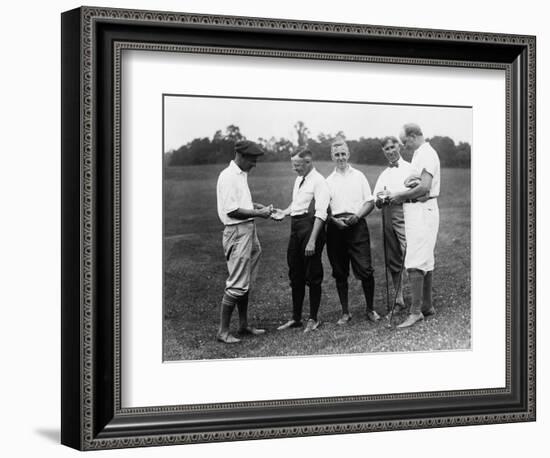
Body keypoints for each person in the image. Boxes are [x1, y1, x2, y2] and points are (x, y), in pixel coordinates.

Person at [215, 140, 273, 343]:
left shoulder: (241, 175)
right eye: (253, 159)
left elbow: (242, 204)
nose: (255, 164)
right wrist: (259, 213)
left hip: (248, 230)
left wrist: (259, 207)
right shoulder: (229, 176)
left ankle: (243, 325)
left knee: (245, 282)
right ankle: (223, 331)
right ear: (241, 156)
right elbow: (232, 211)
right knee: (238, 281)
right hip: (237, 231)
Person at [387, 123, 440, 328]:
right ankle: (426, 306)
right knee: (425, 258)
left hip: (422, 208)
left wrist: (399, 195)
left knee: (414, 260)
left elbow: (425, 187)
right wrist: (411, 182)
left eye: (404, 142)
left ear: (412, 136)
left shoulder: (426, 153)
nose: (404, 146)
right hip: (418, 209)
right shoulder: (420, 154)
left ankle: (415, 311)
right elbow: (418, 182)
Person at [273, 148, 330, 333]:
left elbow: (321, 213)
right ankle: (296, 318)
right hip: (295, 228)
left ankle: (313, 319)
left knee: (313, 275)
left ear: (308, 162)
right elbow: (296, 205)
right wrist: (284, 212)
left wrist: (312, 241)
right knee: (295, 273)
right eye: (293, 165)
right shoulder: (299, 179)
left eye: (297, 165)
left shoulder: (319, 181)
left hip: (311, 227)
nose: (294, 169)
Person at [325, 139, 379, 324]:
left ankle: (370, 309)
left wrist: (357, 216)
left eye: (343, 154)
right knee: (340, 272)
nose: (340, 157)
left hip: (357, 226)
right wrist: (334, 221)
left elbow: (370, 201)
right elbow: (324, 210)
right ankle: (345, 312)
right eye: (336, 154)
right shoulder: (327, 181)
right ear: (332, 156)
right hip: (335, 229)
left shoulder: (359, 176)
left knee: (365, 269)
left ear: (348, 154)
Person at [373, 136, 416, 314]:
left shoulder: (410, 168)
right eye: (386, 149)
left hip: (407, 212)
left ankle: (419, 300)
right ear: (383, 152)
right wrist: (381, 200)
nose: (390, 151)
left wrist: (396, 194)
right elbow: (375, 200)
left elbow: (416, 191)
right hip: (388, 214)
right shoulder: (383, 174)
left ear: (398, 146)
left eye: (392, 147)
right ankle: (398, 300)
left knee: (412, 253)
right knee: (393, 258)